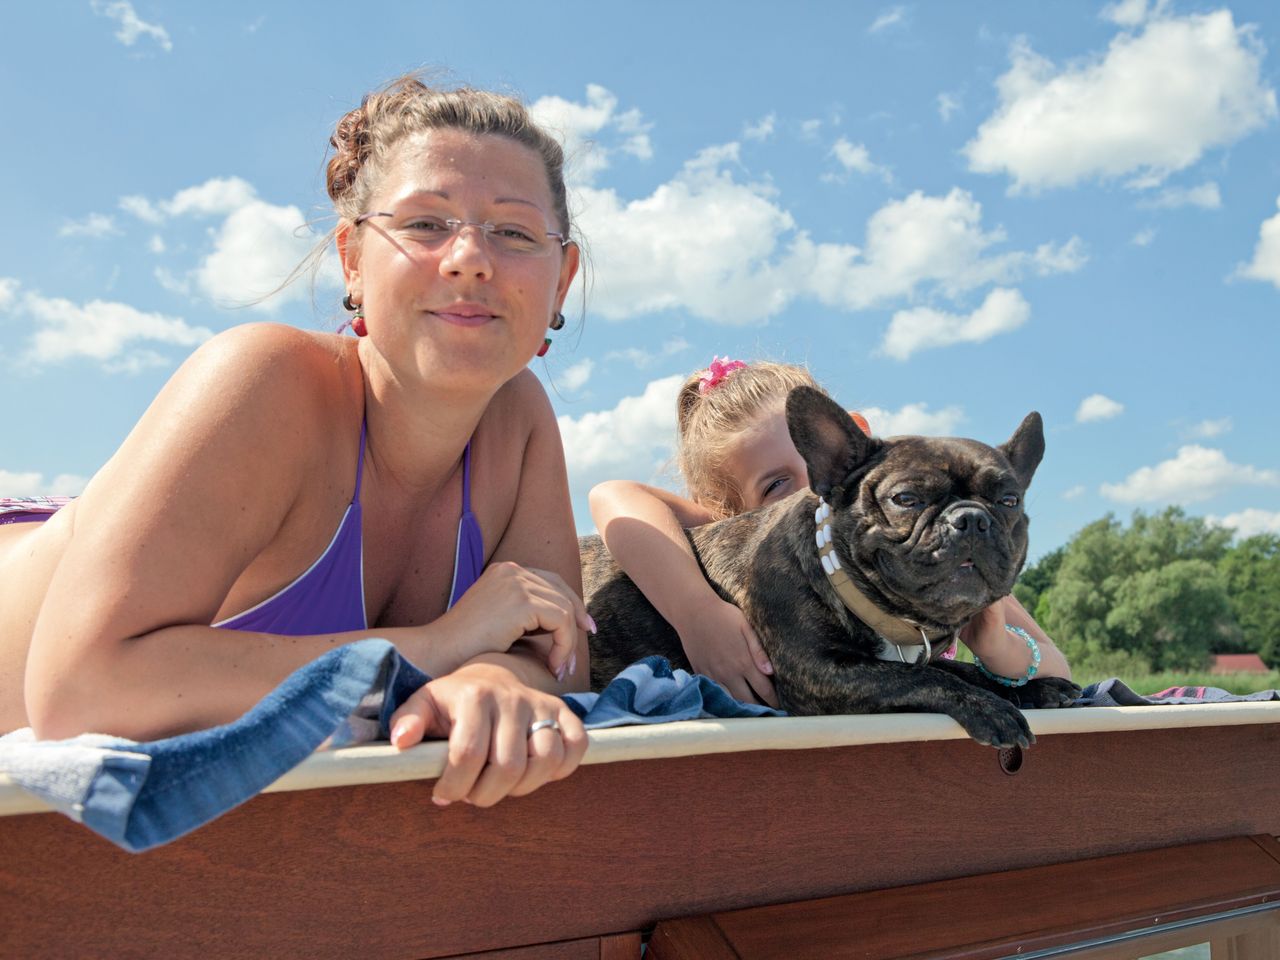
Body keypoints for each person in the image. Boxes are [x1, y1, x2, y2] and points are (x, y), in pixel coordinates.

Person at [0, 76, 593, 808]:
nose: (469, 257)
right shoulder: (263, 380)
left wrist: (491, 679)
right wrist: (437, 648)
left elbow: (564, 659)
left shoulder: (519, 419)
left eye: (514, 232)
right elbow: (81, 690)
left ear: (561, 279)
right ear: (352, 259)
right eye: (424, 224)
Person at [589, 357, 1071, 708]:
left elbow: (1059, 669)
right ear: (729, 515)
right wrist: (697, 612)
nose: (814, 494)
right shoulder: (742, 549)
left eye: (818, 461)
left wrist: (995, 645)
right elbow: (613, 496)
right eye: (779, 484)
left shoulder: (935, 548)